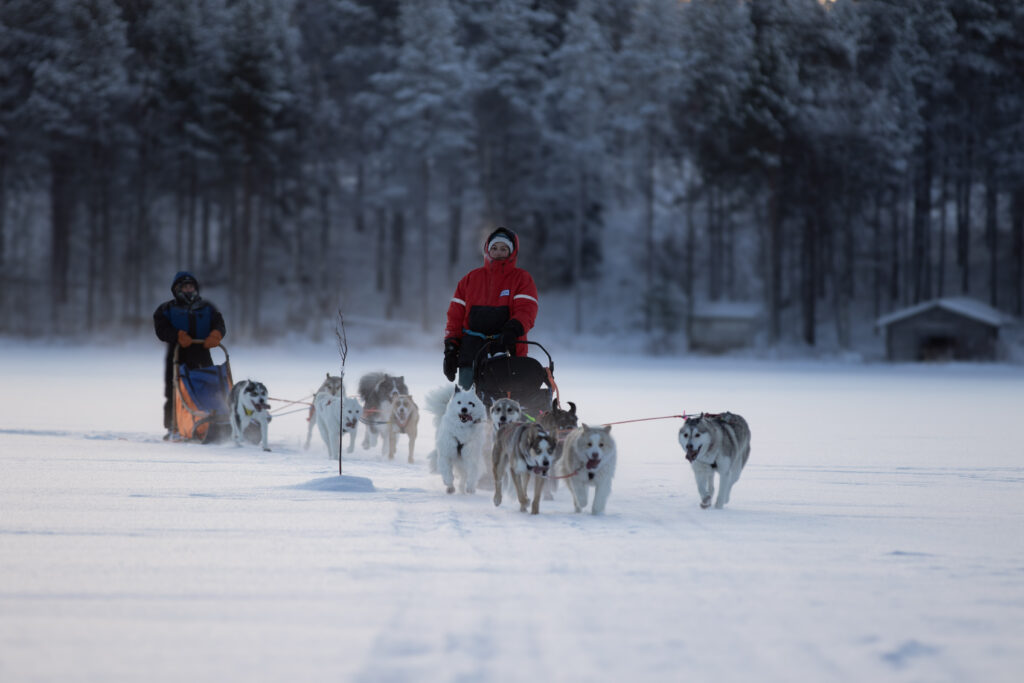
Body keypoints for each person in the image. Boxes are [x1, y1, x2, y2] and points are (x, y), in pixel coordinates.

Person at [443, 227, 538, 389]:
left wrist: (512, 329)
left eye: (503, 248)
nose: (498, 252)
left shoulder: (522, 278)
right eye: (494, 248)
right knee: (466, 403)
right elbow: (455, 317)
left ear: (512, 251)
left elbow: (526, 309)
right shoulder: (470, 279)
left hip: (507, 347)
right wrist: (451, 349)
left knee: (504, 403)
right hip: (470, 350)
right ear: (487, 250)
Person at [153, 271, 226, 439]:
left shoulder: (207, 307)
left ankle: (214, 420)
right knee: (174, 389)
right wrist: (177, 335)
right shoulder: (167, 309)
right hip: (178, 353)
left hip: (202, 350)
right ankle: (174, 427)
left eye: (191, 286)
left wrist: (216, 334)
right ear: (177, 289)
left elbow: (219, 323)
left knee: (209, 386)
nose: (188, 289)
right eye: (185, 286)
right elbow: (161, 329)